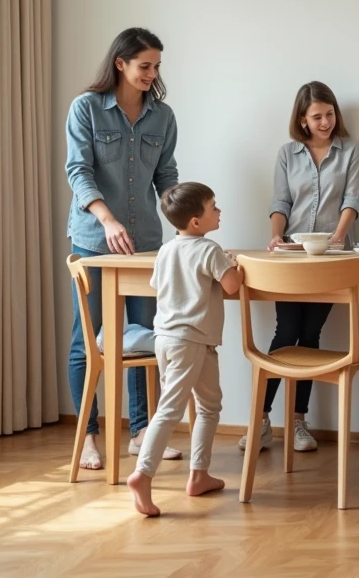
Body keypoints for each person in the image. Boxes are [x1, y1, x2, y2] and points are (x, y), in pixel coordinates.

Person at [65, 27, 181, 471]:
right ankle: (89, 436)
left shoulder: (162, 117)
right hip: (95, 243)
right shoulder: (87, 109)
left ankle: (141, 432)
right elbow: (78, 171)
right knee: (88, 341)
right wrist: (107, 219)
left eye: (156, 67)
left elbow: (166, 176)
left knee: (145, 339)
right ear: (121, 63)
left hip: (146, 245)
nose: (152, 74)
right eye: (144, 66)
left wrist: (187, 226)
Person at [238, 81, 359, 454]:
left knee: (311, 335)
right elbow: (280, 200)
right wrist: (276, 237)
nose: (325, 122)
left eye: (330, 114)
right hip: (293, 254)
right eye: (317, 116)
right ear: (302, 119)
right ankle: (260, 420)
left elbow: (352, 199)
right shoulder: (287, 154)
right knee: (286, 332)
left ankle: (297, 422)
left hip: (332, 257)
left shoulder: (351, 151)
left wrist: (338, 239)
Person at [127, 182, 241, 517]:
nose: (219, 212)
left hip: (169, 338)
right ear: (196, 222)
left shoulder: (166, 250)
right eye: (213, 207)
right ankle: (143, 474)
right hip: (190, 340)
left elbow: (158, 286)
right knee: (170, 409)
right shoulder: (209, 250)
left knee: (209, 405)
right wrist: (232, 265)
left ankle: (199, 474)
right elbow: (232, 285)